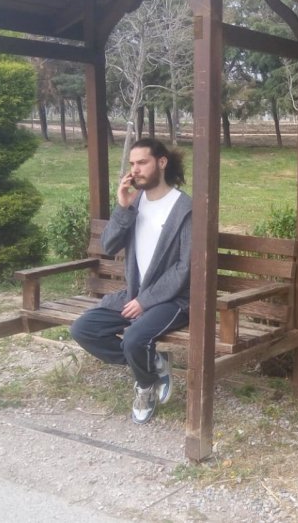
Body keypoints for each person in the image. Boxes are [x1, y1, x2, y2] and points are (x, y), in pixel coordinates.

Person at [70, 137, 192, 425]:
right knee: (83, 329)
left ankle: (145, 386)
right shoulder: (134, 203)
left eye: (142, 163)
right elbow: (109, 245)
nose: (135, 170)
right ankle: (152, 365)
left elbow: (184, 267)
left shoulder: (185, 208)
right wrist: (122, 208)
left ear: (162, 163)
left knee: (135, 339)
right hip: (135, 293)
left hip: (174, 300)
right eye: (132, 164)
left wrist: (145, 301)